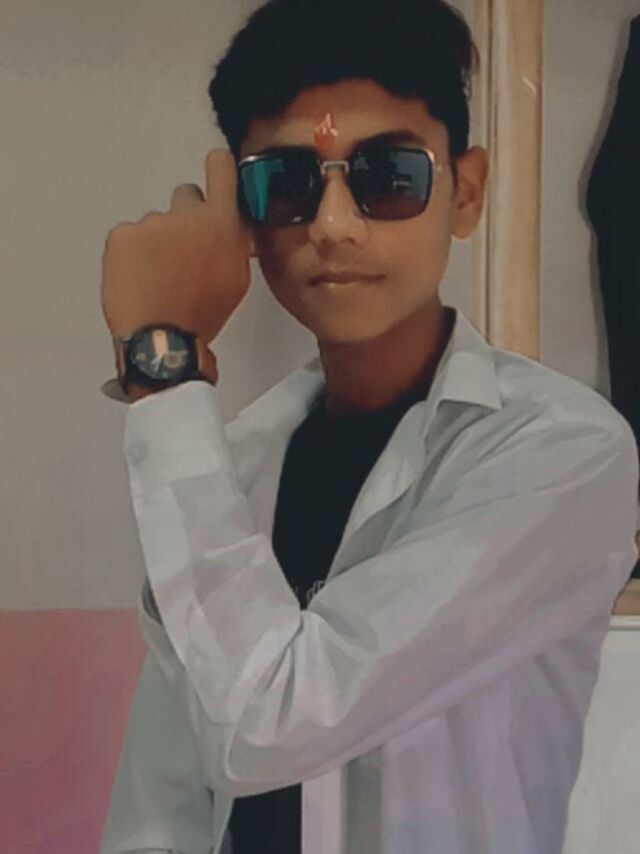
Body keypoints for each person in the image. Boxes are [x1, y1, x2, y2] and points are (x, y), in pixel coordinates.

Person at [99, 1, 640, 852]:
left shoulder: (559, 454)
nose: (333, 225)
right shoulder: (229, 464)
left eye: (388, 175)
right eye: (286, 183)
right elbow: (165, 796)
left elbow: (275, 720)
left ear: (466, 193)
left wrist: (162, 362)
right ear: (244, 219)